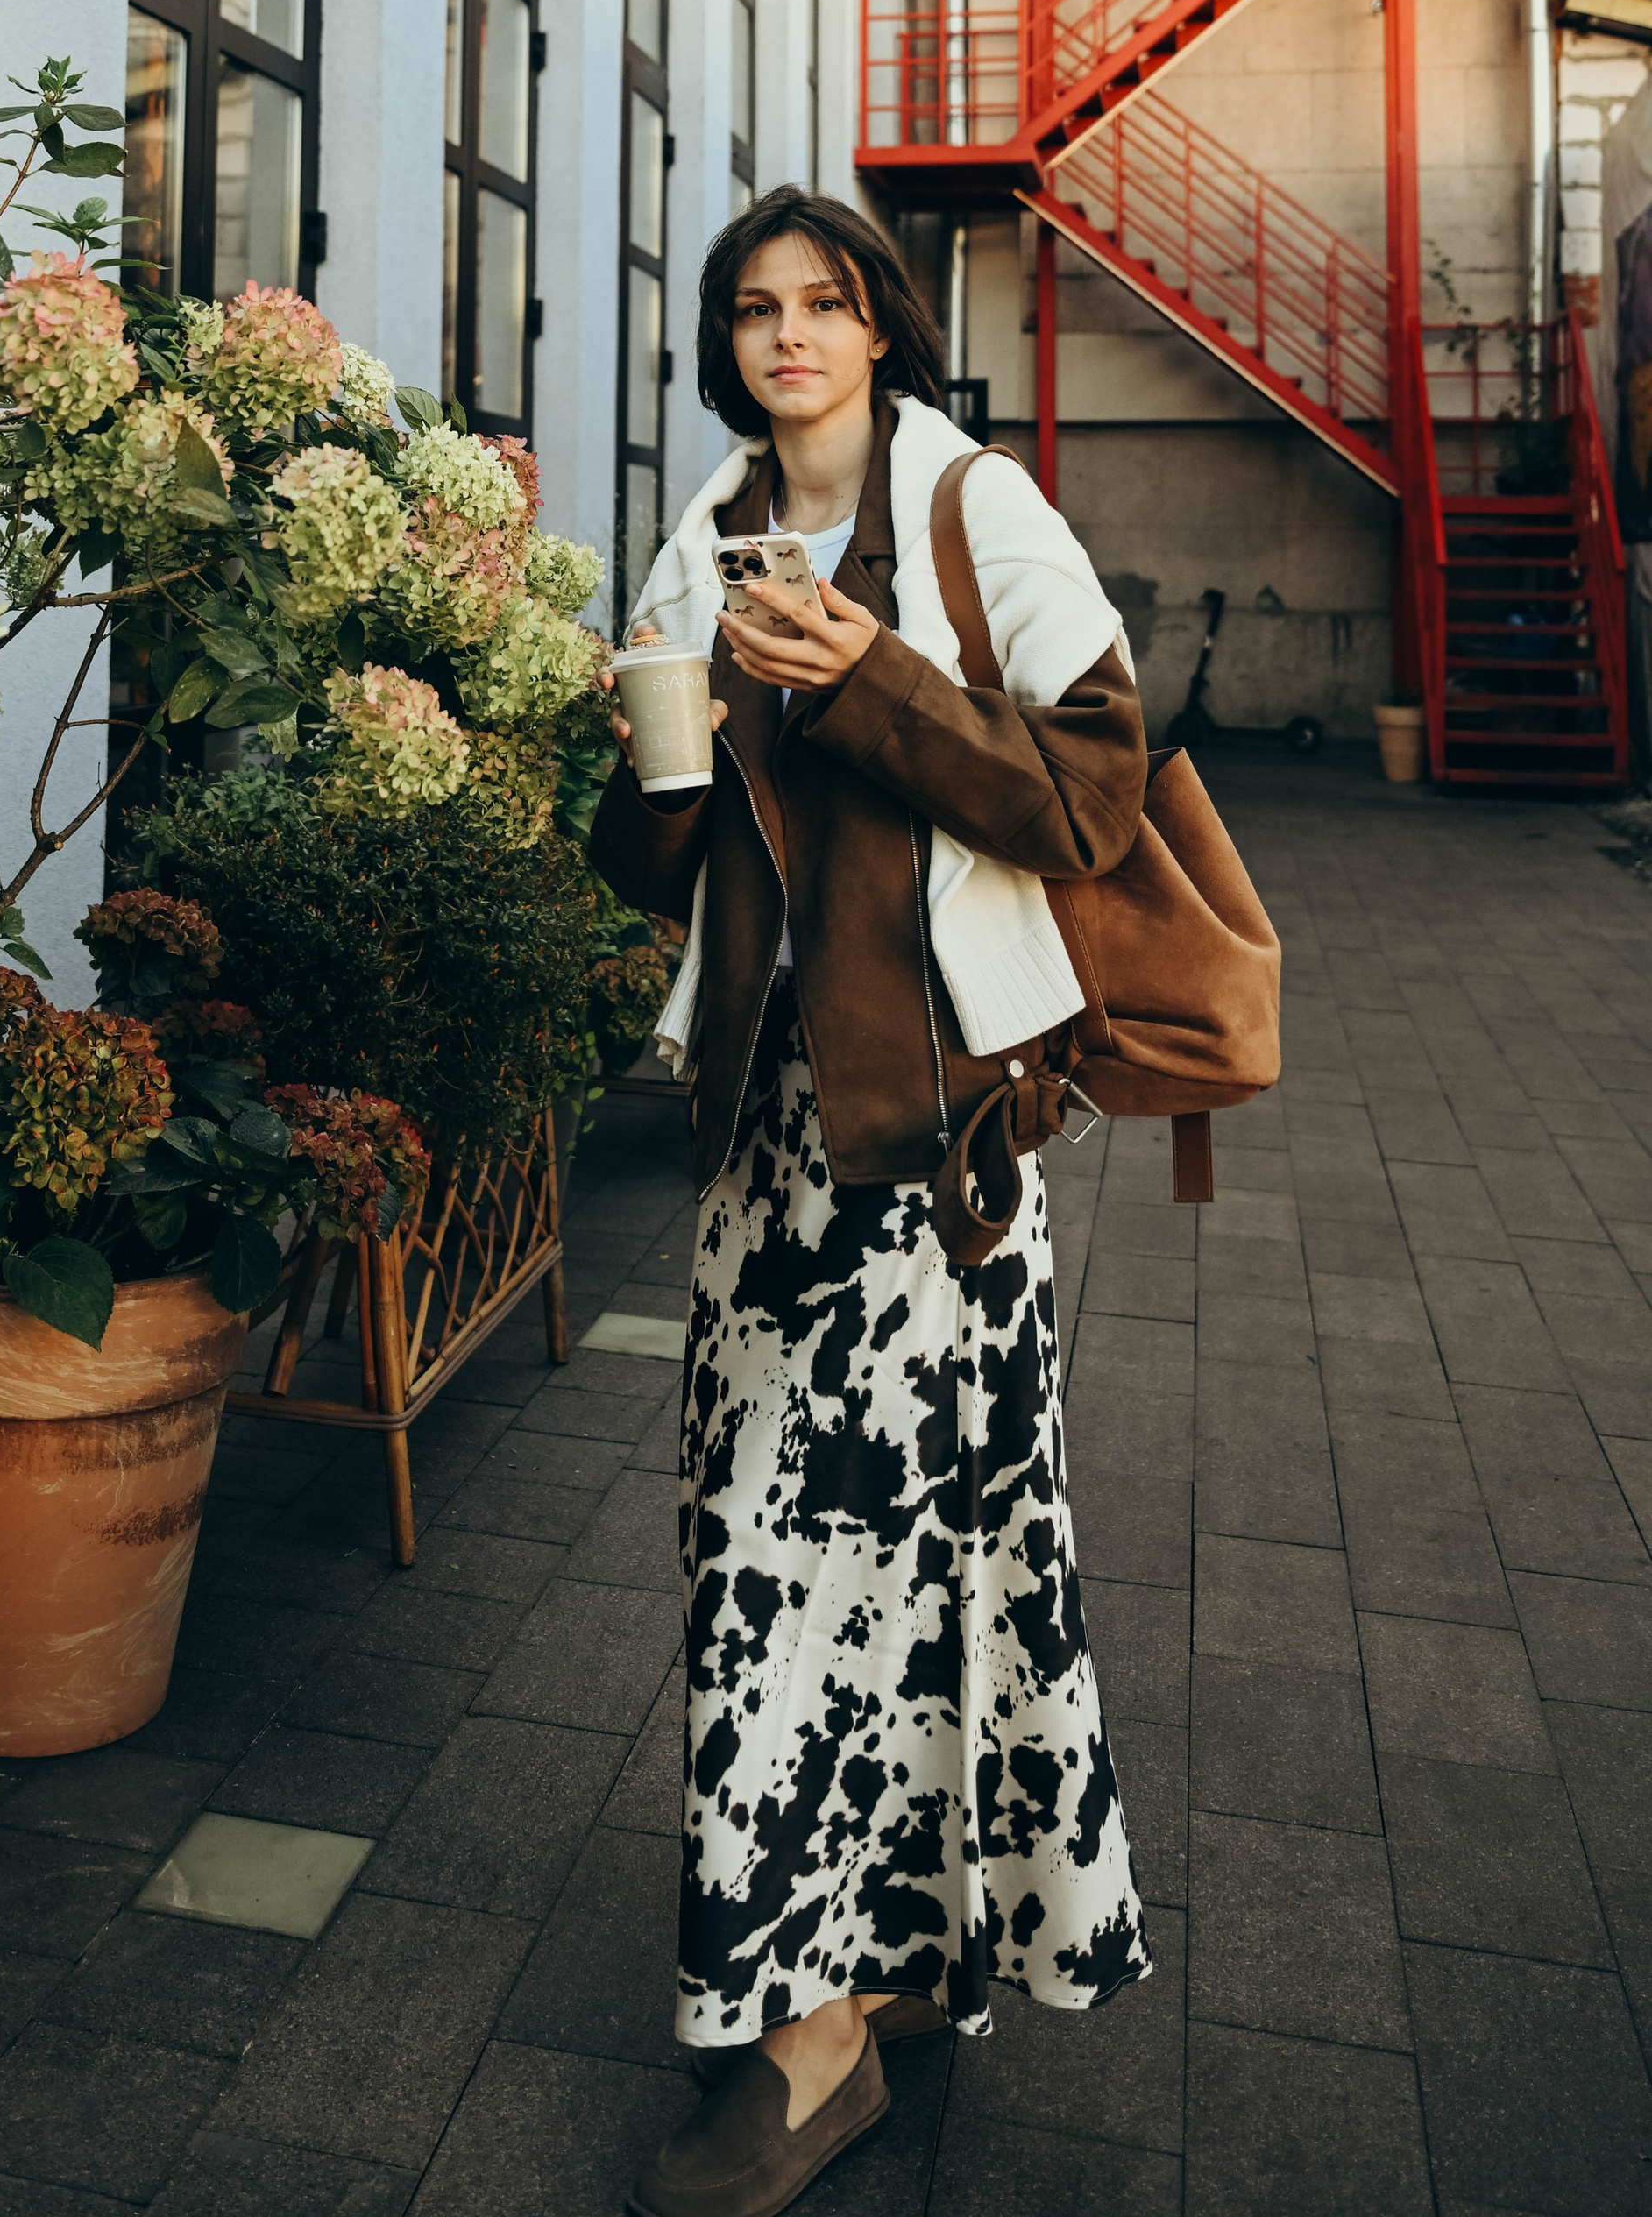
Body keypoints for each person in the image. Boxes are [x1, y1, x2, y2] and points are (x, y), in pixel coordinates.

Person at [594, 188, 1153, 2217]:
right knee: (843, 1569)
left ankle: (811, 2040)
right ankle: (894, 1963)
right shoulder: (703, 535)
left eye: (821, 303)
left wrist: (860, 680)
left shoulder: (968, 510)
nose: (785, 336)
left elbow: (1091, 788)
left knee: (799, 1575)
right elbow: (652, 866)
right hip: (763, 1149)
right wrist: (646, 757)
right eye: (752, 310)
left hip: (933, 1157)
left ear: (881, 325)